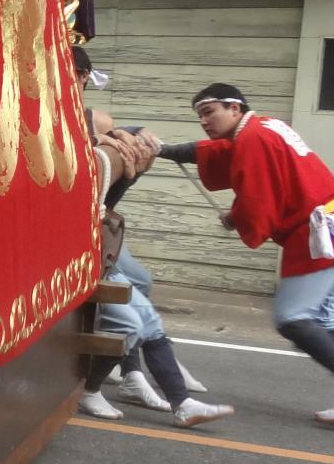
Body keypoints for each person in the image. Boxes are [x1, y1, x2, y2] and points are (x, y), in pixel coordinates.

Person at [158, 85, 334, 425]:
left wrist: (236, 219)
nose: (204, 121)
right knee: (327, 321)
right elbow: (216, 153)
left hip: (321, 236)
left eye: (209, 112)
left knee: (292, 318)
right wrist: (163, 150)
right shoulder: (264, 126)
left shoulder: (253, 139)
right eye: (200, 116)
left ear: (235, 108)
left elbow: (258, 199)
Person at [78, 110, 233, 428]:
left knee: (145, 311)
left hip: (101, 249)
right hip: (82, 253)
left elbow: (122, 145)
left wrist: (130, 136)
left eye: (116, 134)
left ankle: (177, 400)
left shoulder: (114, 155)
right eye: (108, 134)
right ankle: (92, 389)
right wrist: (100, 141)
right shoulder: (84, 156)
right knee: (130, 322)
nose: (118, 138)